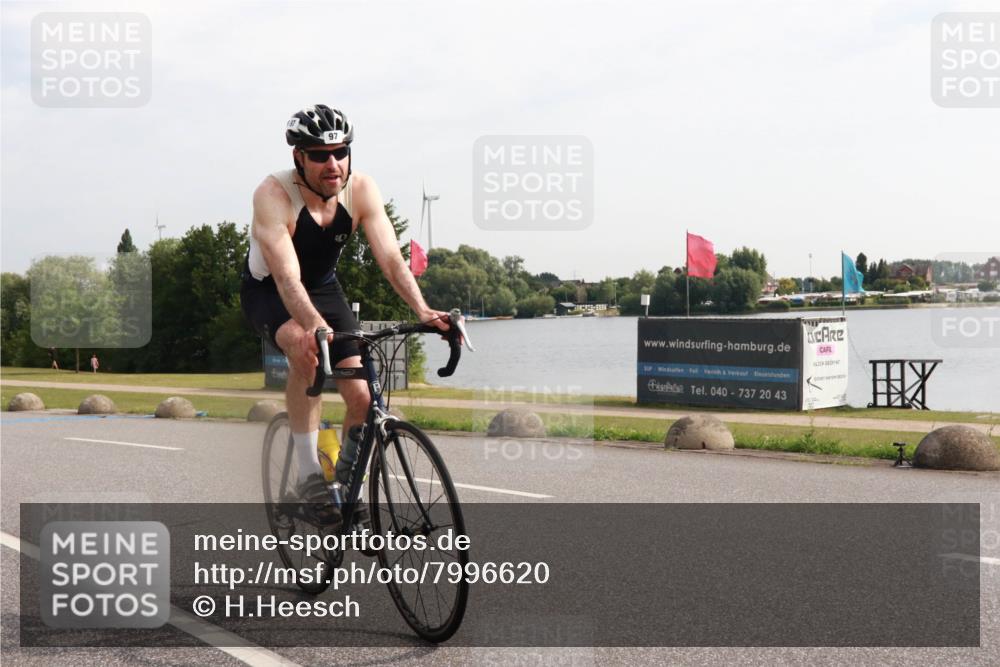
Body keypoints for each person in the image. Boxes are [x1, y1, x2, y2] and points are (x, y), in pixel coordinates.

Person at [240, 105, 450, 517]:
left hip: (325, 288)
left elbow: (391, 259)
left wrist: (424, 311)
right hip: (269, 291)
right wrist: (315, 329)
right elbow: (286, 279)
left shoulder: (361, 190)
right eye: (319, 154)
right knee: (306, 349)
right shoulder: (273, 195)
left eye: (340, 151)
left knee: (363, 396)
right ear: (298, 157)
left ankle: (346, 485)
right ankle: (308, 480)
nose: (332, 163)